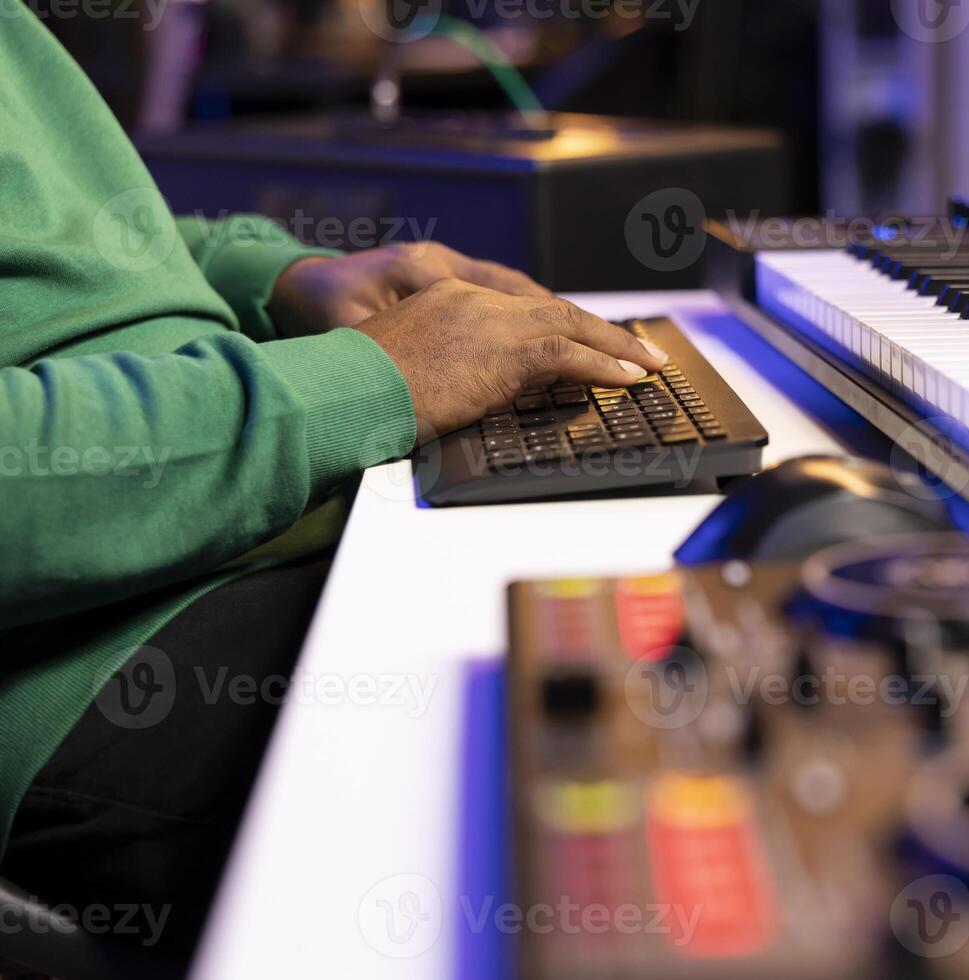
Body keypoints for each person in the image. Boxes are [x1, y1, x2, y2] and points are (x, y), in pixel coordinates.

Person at [0, 0, 666, 969]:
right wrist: (369, 379)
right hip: (98, 649)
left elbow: (83, 239)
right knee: (605, 756)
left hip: (245, 491)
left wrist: (287, 276)